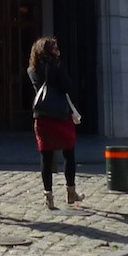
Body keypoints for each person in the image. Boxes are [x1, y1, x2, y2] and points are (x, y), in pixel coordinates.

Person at [28, 35, 81, 210]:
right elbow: (67, 86)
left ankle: (48, 195)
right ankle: (70, 192)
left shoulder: (33, 69)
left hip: (42, 117)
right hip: (60, 115)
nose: (59, 51)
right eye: (56, 48)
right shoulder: (56, 66)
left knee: (46, 156)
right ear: (49, 50)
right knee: (69, 153)